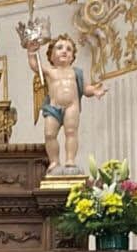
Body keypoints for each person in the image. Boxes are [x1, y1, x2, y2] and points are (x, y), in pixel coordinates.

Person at [29, 32, 107, 175]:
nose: (64, 51)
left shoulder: (76, 72)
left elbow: (84, 89)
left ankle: (70, 160)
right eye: (59, 48)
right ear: (51, 55)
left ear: (72, 57)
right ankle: (54, 161)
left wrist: (94, 91)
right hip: (53, 107)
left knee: (71, 133)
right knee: (49, 134)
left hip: (72, 106)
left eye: (68, 49)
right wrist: (31, 52)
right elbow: (35, 66)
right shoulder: (50, 71)